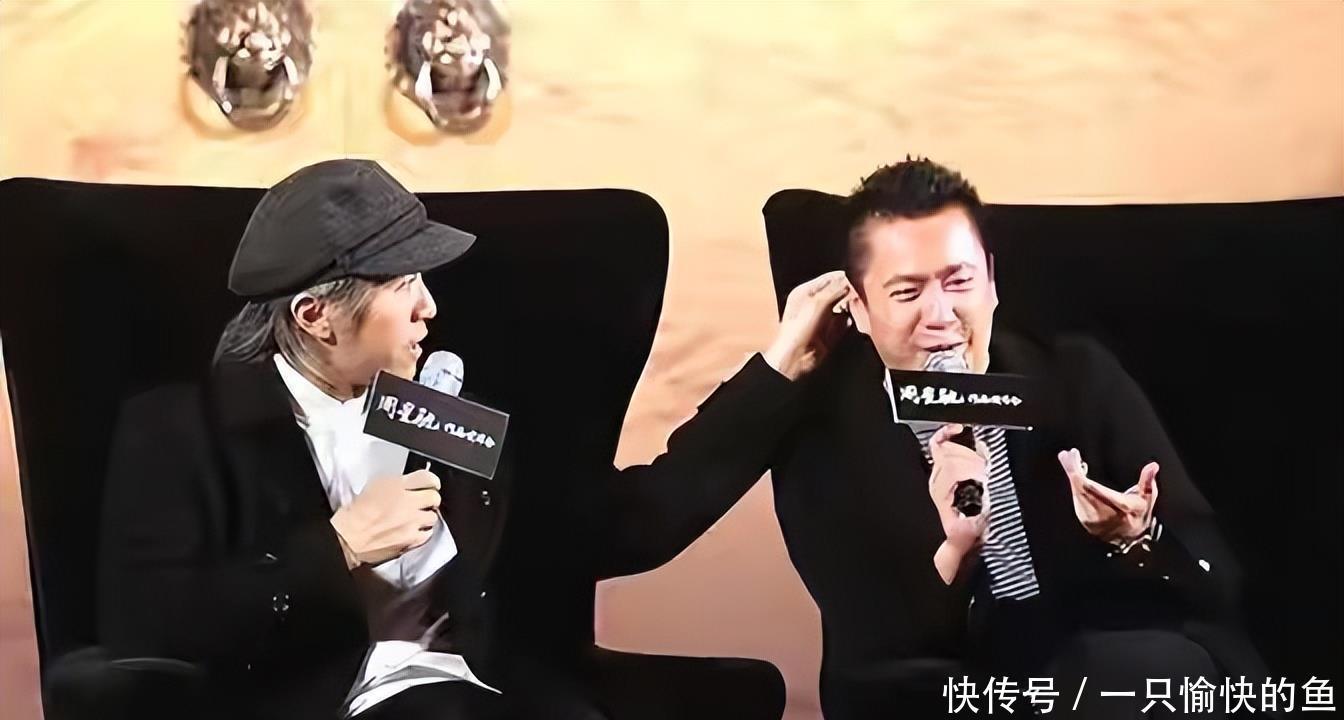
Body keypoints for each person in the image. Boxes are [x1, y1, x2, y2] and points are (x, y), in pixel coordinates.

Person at [98, 159, 849, 720]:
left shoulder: (446, 414)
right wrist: (339, 549)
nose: (429, 307)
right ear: (315, 315)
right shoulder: (182, 430)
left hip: (483, 697)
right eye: (402, 285)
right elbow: (151, 624)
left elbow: (628, 522)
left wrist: (778, 371)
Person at [770, 158, 1265, 718]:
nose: (941, 315)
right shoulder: (822, 427)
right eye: (907, 292)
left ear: (992, 283)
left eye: (959, 282)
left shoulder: (1076, 378)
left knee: (1172, 669)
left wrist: (1135, 537)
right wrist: (956, 552)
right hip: (934, 691)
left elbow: (1214, 580)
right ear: (860, 310)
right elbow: (870, 644)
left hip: (1095, 667)